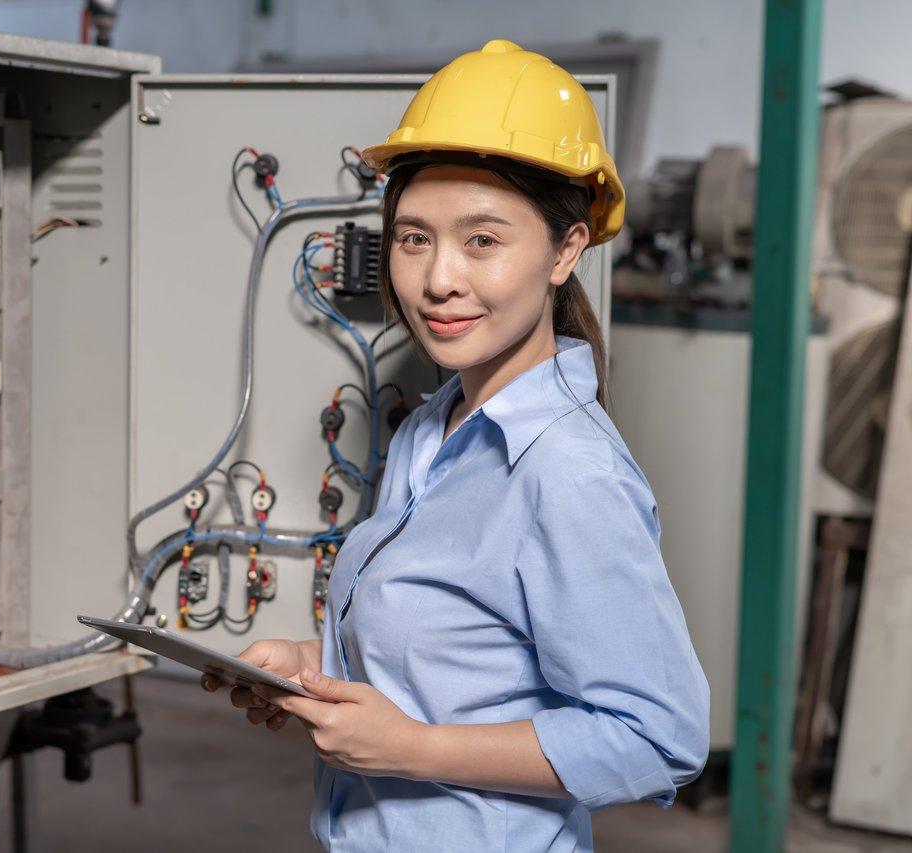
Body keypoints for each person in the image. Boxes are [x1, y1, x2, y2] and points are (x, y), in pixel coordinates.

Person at [202, 39, 709, 851]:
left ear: (566, 250)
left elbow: (657, 736)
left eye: (481, 240)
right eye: (413, 238)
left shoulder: (567, 473)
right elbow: (457, 666)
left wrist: (414, 749)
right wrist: (307, 666)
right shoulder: (430, 429)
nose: (437, 279)